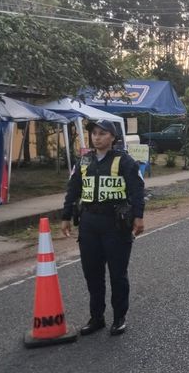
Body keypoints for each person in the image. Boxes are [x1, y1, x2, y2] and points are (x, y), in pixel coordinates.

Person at [61, 120, 145, 336]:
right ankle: (96, 317)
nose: (96, 137)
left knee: (118, 274)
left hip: (115, 225)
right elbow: (73, 189)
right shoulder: (84, 161)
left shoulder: (124, 161)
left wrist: (138, 216)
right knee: (92, 274)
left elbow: (137, 189)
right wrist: (66, 216)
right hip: (89, 224)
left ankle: (119, 318)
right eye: (94, 134)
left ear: (112, 138)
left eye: (102, 133)